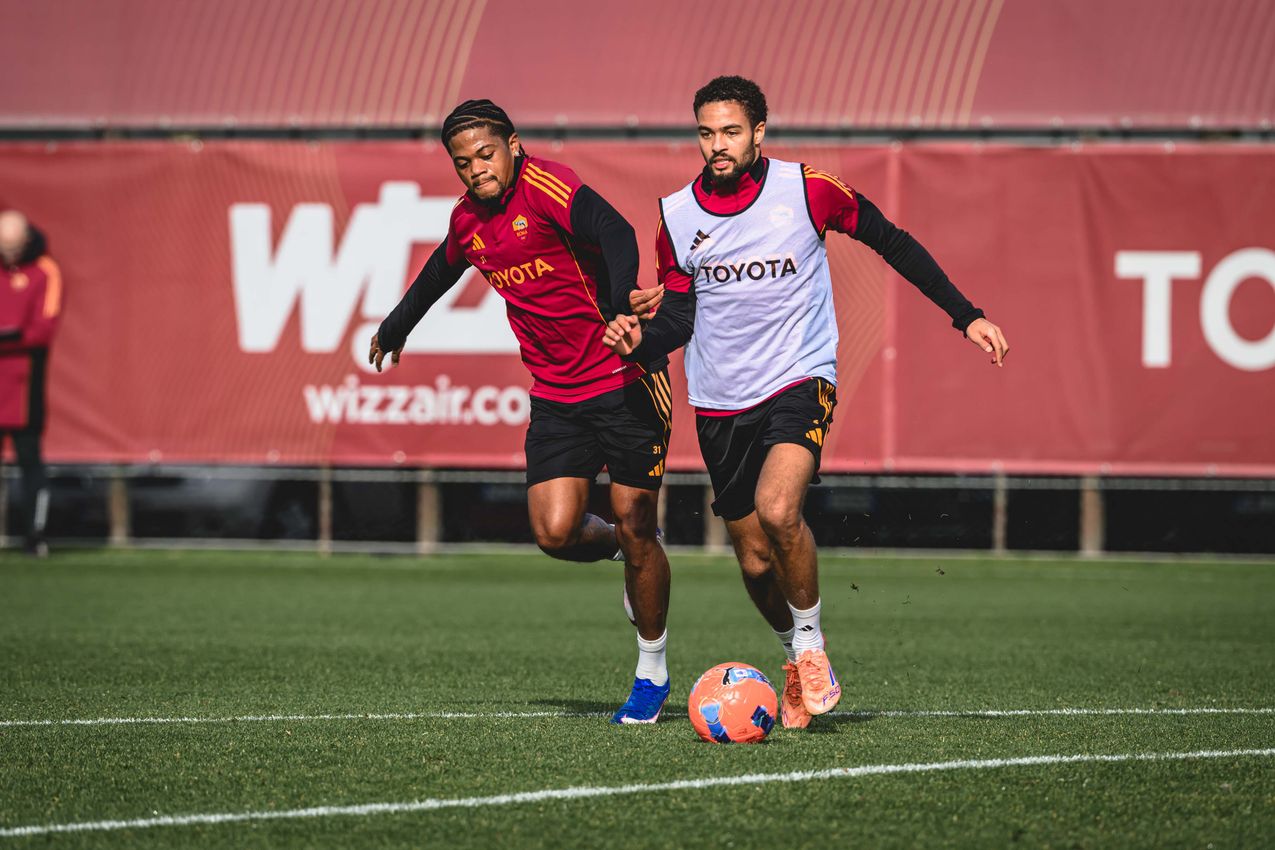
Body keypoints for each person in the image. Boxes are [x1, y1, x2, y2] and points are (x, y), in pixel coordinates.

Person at [604, 76, 1009, 730]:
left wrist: (965, 315)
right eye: (706, 132)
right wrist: (637, 340)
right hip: (717, 400)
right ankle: (793, 653)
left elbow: (892, 241)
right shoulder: (676, 217)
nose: (717, 145)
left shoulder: (806, 189)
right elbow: (677, 318)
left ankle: (813, 644)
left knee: (777, 508)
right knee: (754, 558)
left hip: (800, 375)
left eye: (731, 131)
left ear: (759, 131)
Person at [370, 100, 674, 723]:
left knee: (636, 518)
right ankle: (625, 546)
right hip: (558, 395)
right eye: (464, 163)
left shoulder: (546, 185)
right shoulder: (466, 223)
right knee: (555, 533)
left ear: (511, 144)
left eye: (486, 154)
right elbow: (438, 273)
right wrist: (397, 326)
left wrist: (620, 307)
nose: (477, 169)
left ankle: (651, 672)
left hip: (625, 380)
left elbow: (614, 230)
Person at [0, 211, 63, 558]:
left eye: (13, 246)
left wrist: (10, 337)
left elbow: (42, 330)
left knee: (29, 459)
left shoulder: (44, 270)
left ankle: (33, 535)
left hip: (24, 383)